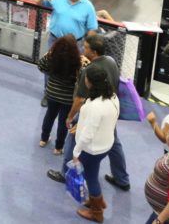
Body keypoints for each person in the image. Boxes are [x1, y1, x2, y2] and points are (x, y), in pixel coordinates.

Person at [48, 33, 130, 192]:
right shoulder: (112, 62)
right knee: (114, 142)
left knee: (73, 137)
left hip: (93, 111)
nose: (82, 49)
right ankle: (122, 179)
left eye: (85, 47)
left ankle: (66, 173)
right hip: (109, 110)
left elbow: (79, 99)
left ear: (93, 52)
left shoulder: (90, 71)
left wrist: (70, 116)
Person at [69, 65, 119, 222]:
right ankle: (97, 199)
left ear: (89, 81)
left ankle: (97, 212)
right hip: (105, 144)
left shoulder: (95, 106)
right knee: (93, 172)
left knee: (90, 177)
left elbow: (88, 135)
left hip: (92, 149)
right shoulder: (113, 97)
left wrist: (76, 152)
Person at [38, 34, 81, 154]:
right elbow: (81, 77)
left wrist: (50, 73)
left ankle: (43, 139)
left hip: (51, 93)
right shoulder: (77, 61)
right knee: (64, 121)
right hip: (67, 98)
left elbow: (41, 66)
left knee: (49, 115)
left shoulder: (52, 56)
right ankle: (58, 147)